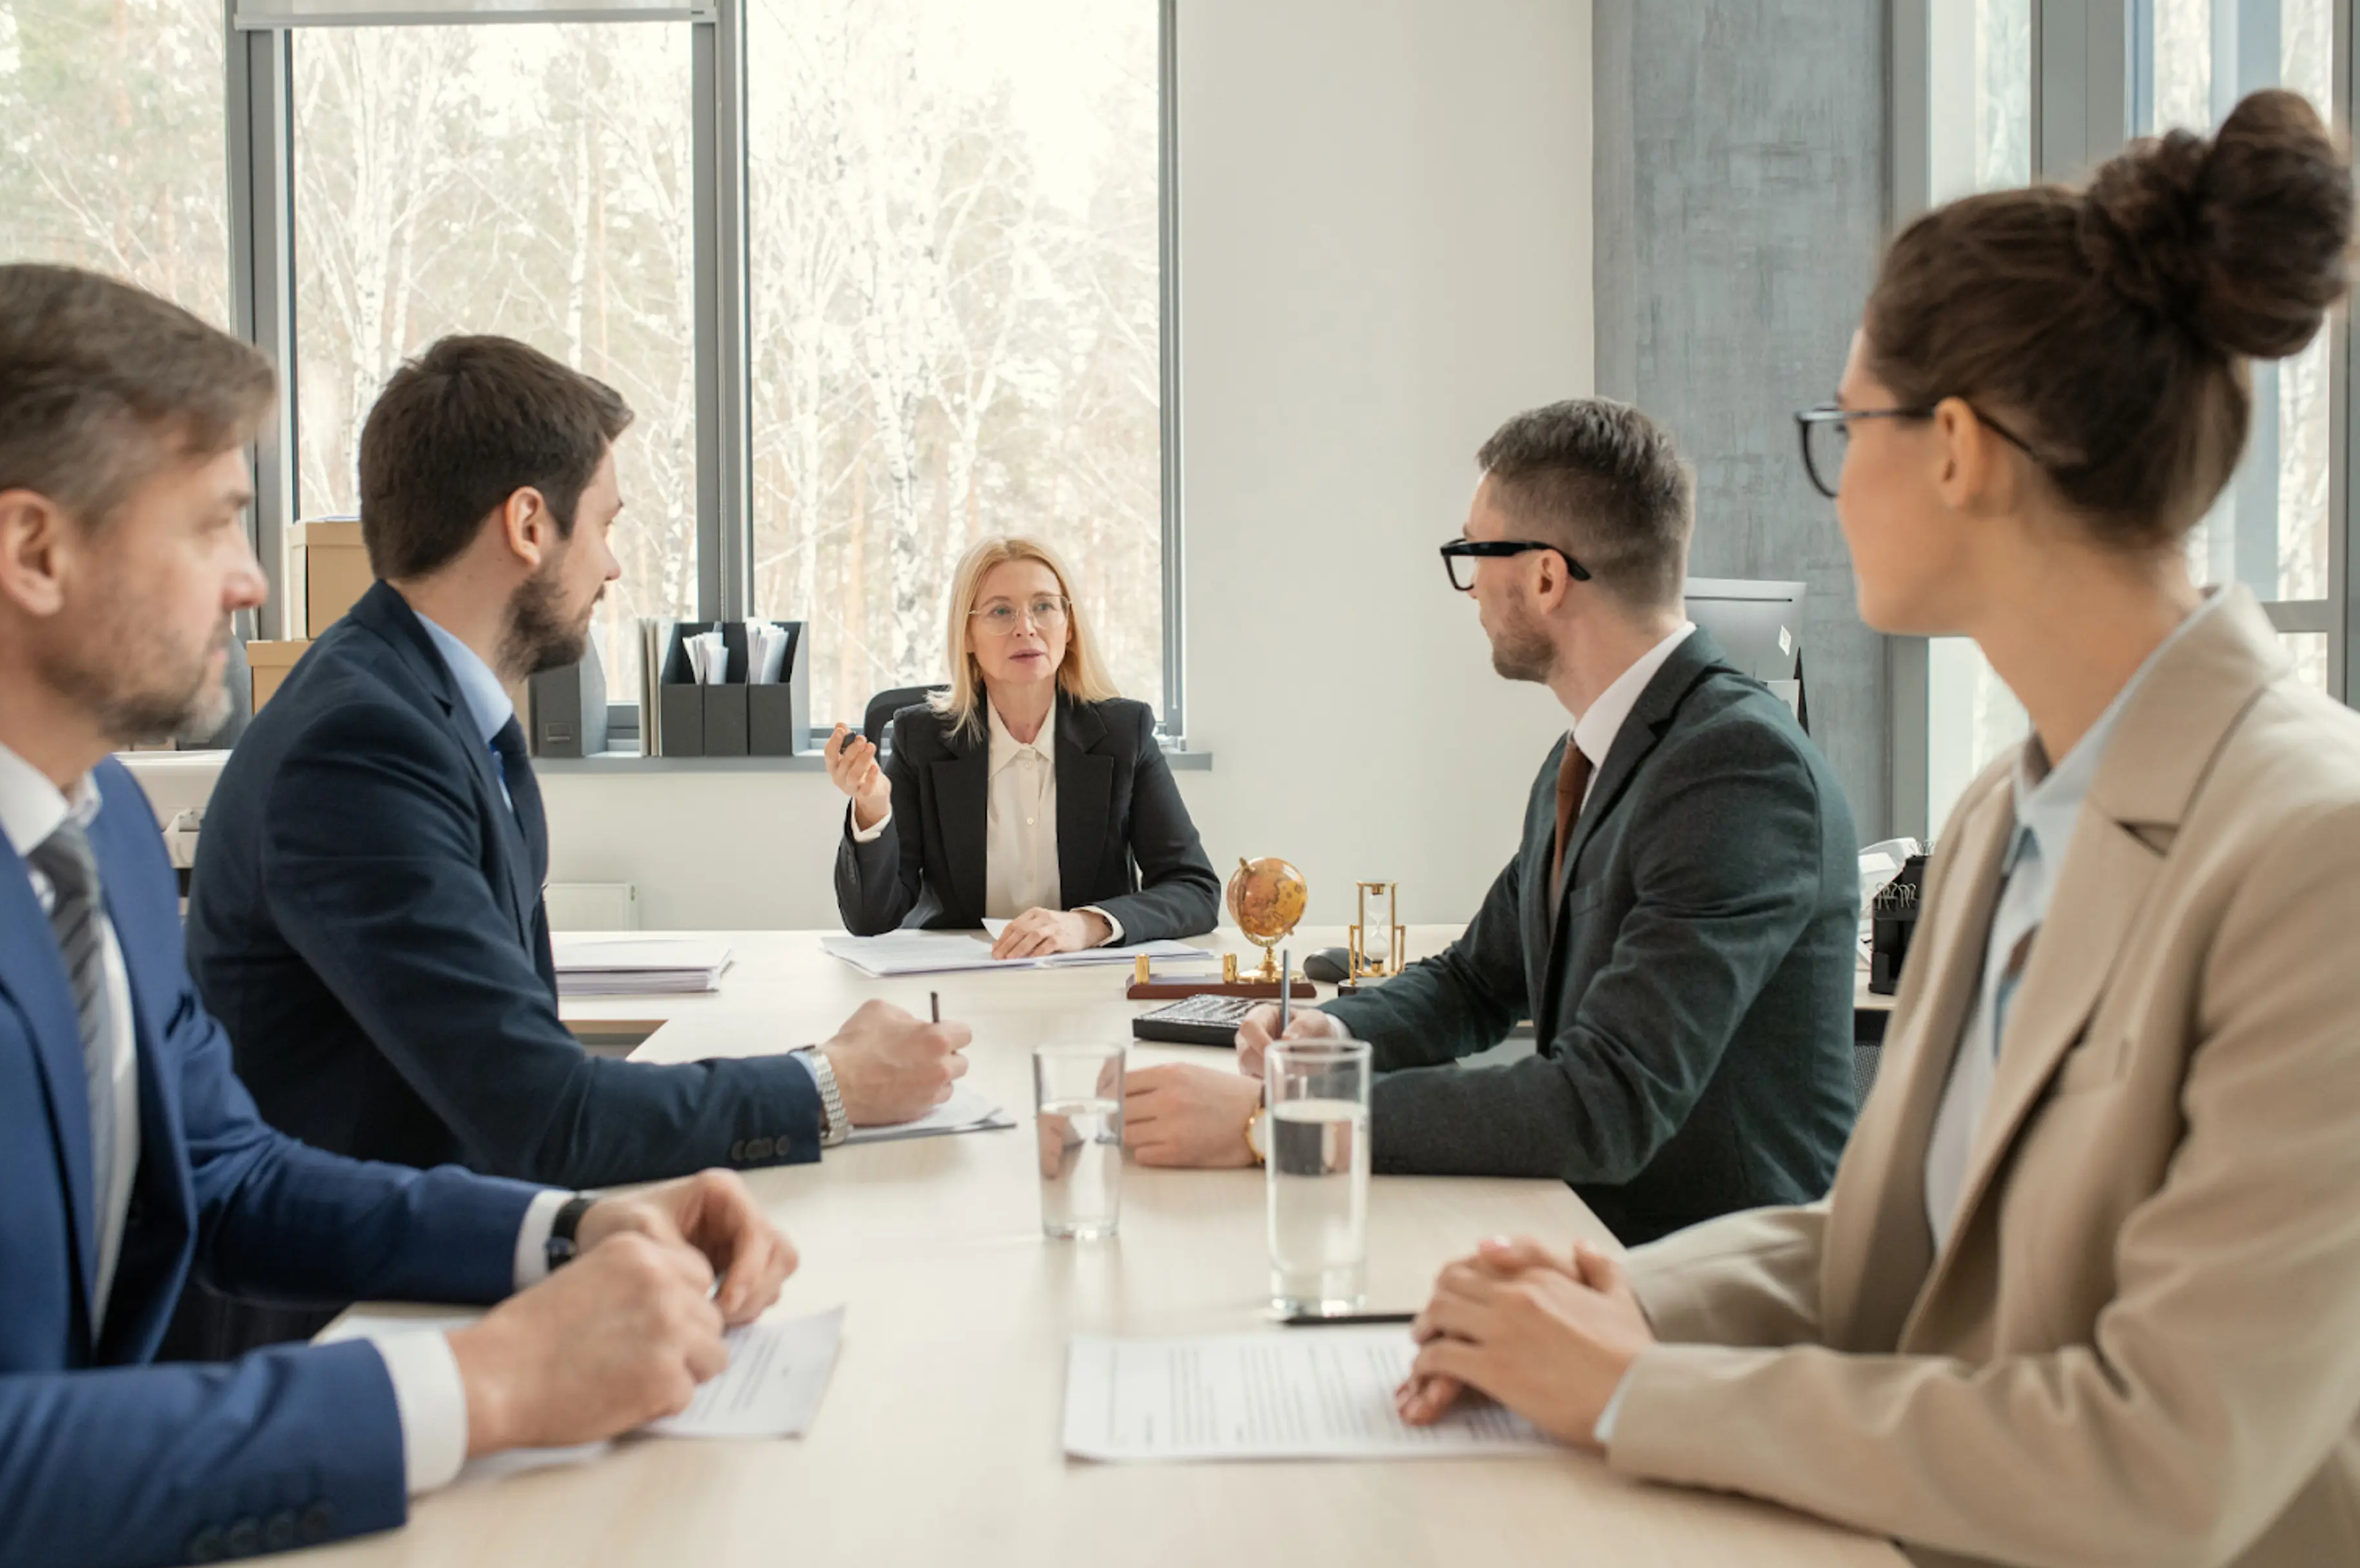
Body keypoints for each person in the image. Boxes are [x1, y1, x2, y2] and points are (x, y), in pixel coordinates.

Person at [1398, 91, 2360, 1568]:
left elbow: (2162, 1455)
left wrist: (1642, 1385)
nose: (1834, 479)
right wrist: (1620, 1290)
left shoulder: (2315, 852)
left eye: (1843, 427)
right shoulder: (1999, 816)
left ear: (1958, 449)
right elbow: (1884, 1241)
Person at [0, 264, 802, 1568]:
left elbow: (230, 1175)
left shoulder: (106, 826)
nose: (254, 584)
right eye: (211, 524)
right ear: (32, 548)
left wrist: (564, 1229)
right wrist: (481, 1385)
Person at [180, 335, 966, 1353]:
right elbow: (541, 1114)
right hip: (346, 1326)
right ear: (526, 523)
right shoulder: (360, 743)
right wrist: (830, 1082)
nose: (613, 563)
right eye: (604, 523)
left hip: (453, 1260)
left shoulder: (425, 708)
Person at [1123, 399, 1859, 1246]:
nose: (1469, 586)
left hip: (1716, 1284)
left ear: (1546, 577)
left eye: (1474, 553)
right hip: (1588, 1235)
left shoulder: (1738, 774)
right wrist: (1335, 1029)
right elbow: (1477, 982)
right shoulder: (1585, 754)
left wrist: (1276, 1114)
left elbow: (1605, 1103)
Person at [827, 535, 1219, 959]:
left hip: (1088, 980)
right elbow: (870, 919)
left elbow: (1194, 889)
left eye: (1044, 606)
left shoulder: (1126, 733)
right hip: (958, 985)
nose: (1026, 627)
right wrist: (872, 810)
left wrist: (1087, 924)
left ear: (1069, 628)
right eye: (1000, 611)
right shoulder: (921, 739)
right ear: (967, 635)